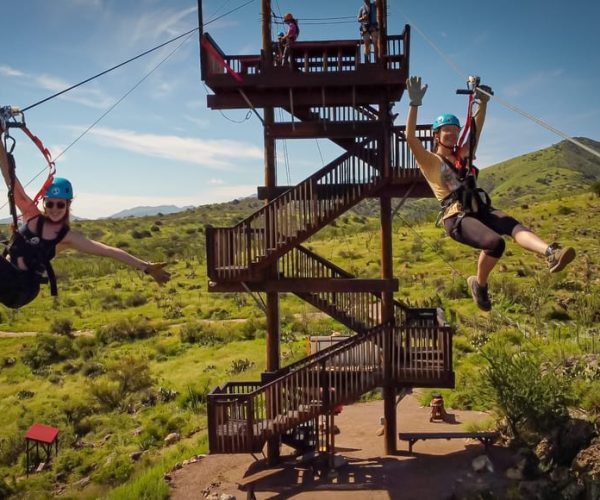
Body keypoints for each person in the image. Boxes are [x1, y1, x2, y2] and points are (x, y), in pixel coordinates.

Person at [404, 76, 575, 311]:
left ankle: (550, 253)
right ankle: (479, 285)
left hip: (479, 207)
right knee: (495, 243)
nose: (452, 134)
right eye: (446, 131)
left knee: (514, 226)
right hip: (457, 216)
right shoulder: (431, 162)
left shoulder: (463, 155)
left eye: (455, 130)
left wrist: (482, 103)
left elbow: (476, 129)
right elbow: (411, 139)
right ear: (436, 135)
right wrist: (414, 105)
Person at [0, 129, 170, 309]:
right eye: (50, 204)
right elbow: (10, 179)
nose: (55, 209)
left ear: (68, 205)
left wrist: (146, 267)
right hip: (7, 280)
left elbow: (109, 251)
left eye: (60, 204)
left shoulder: (68, 238)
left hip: (22, 288)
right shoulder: (31, 215)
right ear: (44, 203)